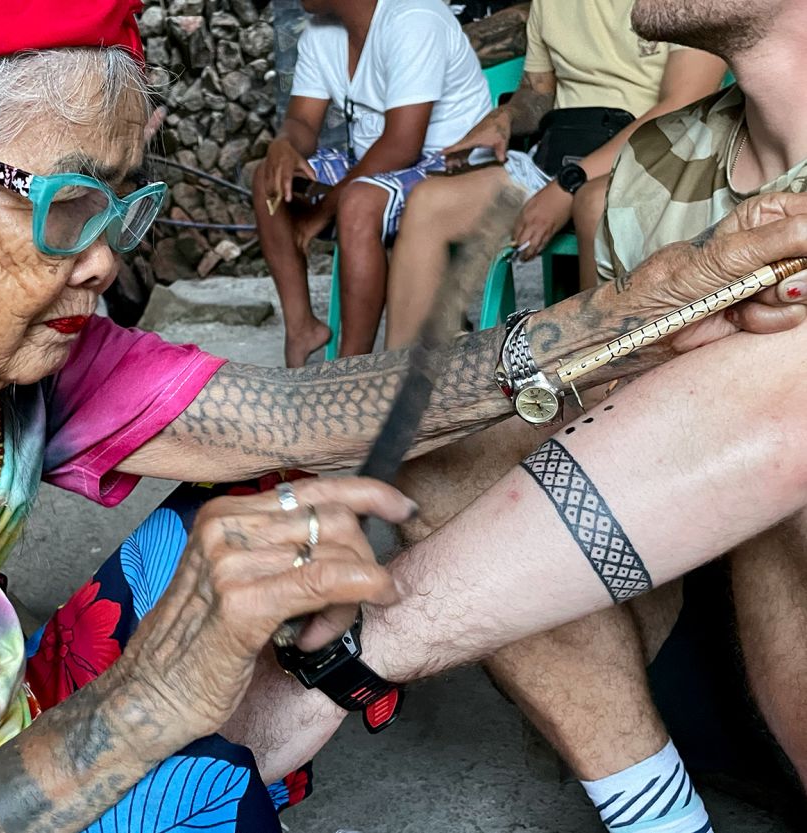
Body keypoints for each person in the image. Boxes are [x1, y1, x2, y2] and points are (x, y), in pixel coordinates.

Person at [0, 1, 806, 832]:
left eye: (124, 207)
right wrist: (135, 711)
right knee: (195, 777)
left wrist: (636, 312)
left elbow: (294, 413)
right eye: (67, 205)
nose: (103, 262)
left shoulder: (6, 350)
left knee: (344, 472)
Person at [243, 5, 807, 833]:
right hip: (699, 639)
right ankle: (656, 812)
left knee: (777, 410)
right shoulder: (654, 168)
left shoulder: (416, 27)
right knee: (445, 442)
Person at [382, 0, 727, 350]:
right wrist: (507, 117)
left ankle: (594, 379)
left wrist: (569, 184)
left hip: (656, 156)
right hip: (558, 158)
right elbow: (537, 92)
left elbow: (684, 102)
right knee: (428, 202)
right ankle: (402, 383)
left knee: (593, 205)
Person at [252, 0, 492, 366]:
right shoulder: (321, 32)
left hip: (450, 167)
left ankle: (352, 367)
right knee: (267, 178)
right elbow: (303, 121)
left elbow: (402, 145)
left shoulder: (415, 18)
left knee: (358, 203)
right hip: (376, 161)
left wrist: (323, 210)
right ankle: (302, 328)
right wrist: (283, 145)